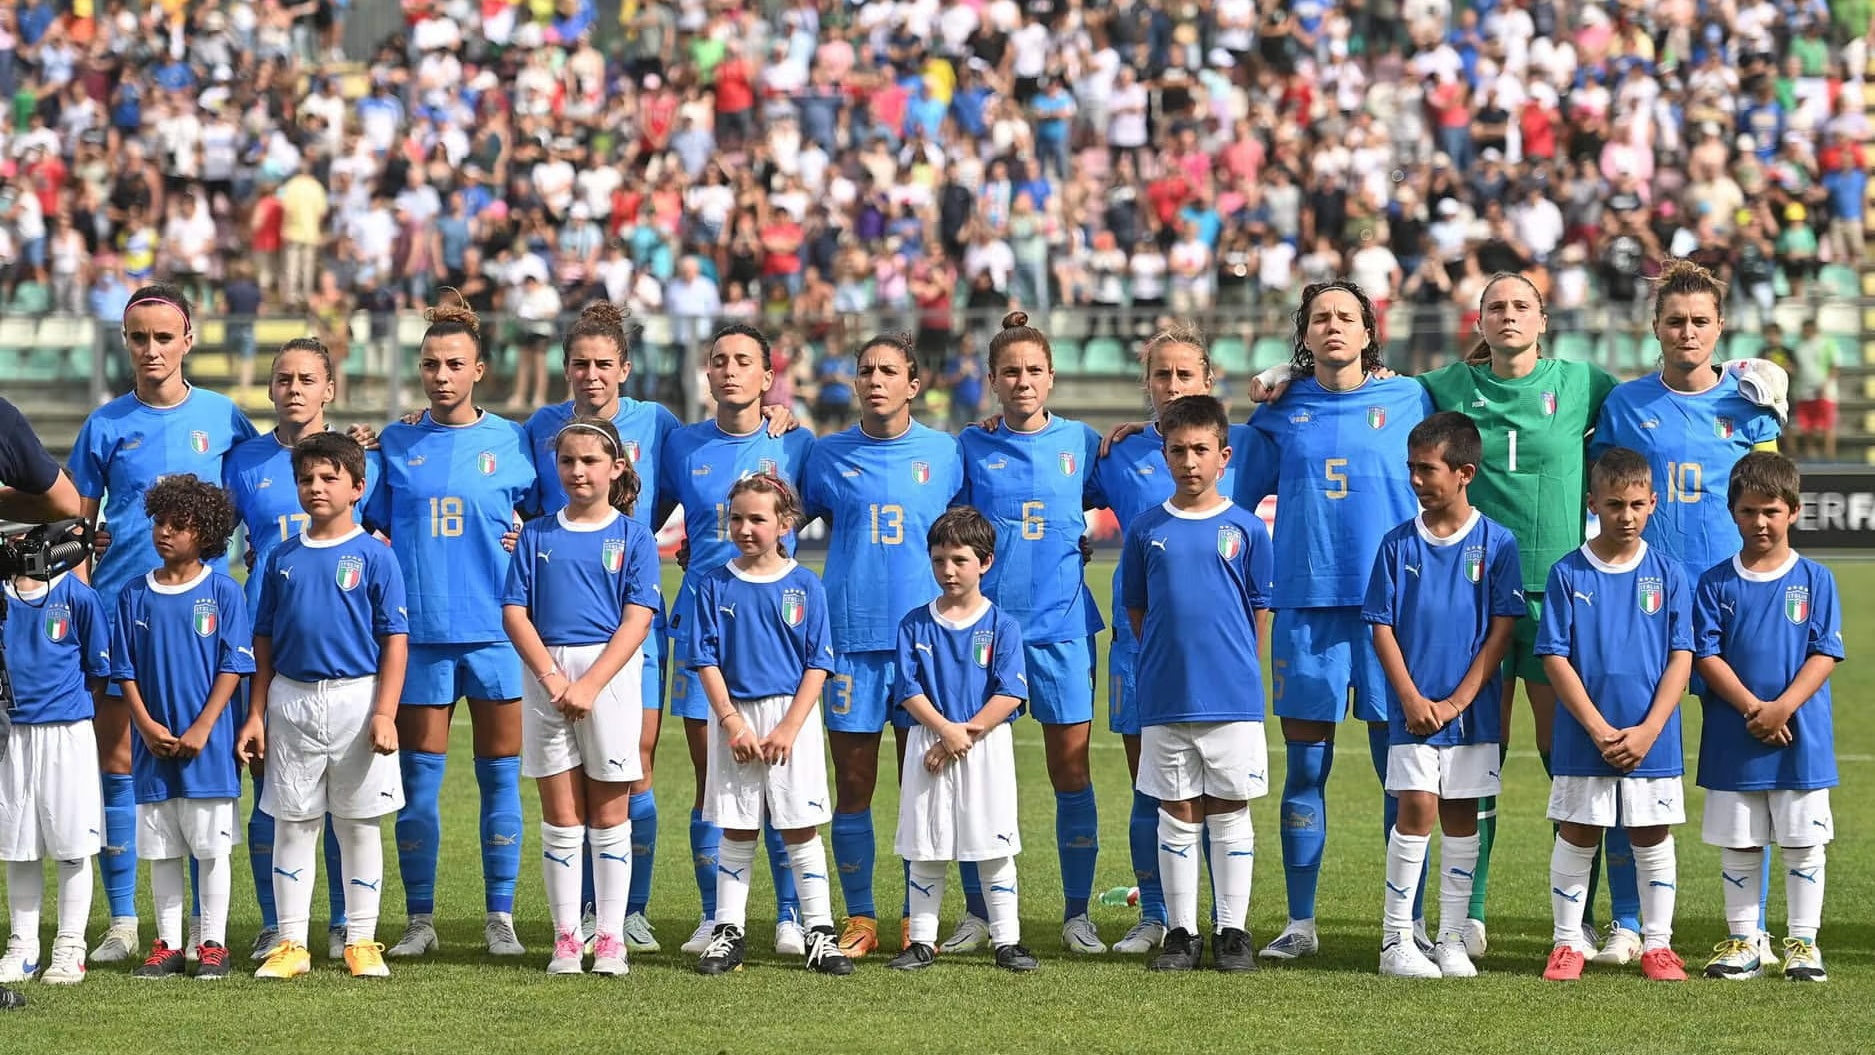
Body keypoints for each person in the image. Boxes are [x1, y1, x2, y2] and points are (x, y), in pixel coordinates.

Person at [518, 303, 788, 955]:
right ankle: (580, 915)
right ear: (565, 367)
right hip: (557, 627)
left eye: (602, 363)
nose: (590, 374)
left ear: (625, 369)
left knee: (633, 766)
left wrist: (780, 420)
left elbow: (676, 498)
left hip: (633, 624)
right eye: (579, 362)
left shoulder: (661, 426)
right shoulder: (536, 428)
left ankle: (630, 912)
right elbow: (523, 502)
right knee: (567, 776)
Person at [1231, 281, 1434, 962]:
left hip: (1389, 615)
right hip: (1305, 612)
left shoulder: (1409, 399)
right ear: (1304, 333)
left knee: (1398, 774)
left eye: (1346, 316)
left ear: (1368, 331)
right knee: (1304, 770)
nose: (1333, 326)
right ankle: (1299, 921)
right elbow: (1226, 493)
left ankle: (1403, 923)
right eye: (1320, 318)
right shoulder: (1280, 411)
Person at [1589, 259, 1782, 967]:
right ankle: (1627, 922)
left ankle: (1748, 925)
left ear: (1719, 327)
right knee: (1631, 765)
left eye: (1700, 320)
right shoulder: (1624, 405)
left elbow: (1773, 494)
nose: (1687, 331)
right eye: (1675, 320)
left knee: (1743, 767)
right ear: (1655, 328)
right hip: (1649, 606)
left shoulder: (1751, 402)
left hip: (1735, 604)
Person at [70, 284, 258, 964]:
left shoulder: (225, 417)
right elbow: (79, 521)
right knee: (120, 762)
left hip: (202, 622)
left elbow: (261, 483)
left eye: (162, 336)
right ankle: (124, 920)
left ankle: (219, 929)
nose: (150, 349)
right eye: (138, 337)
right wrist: (86, 590)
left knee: (205, 765)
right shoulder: (104, 424)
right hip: (124, 614)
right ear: (126, 342)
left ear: (188, 339)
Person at [366, 302, 535, 960]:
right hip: (421, 634)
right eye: (431, 363)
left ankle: (500, 915)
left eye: (454, 364)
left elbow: (545, 520)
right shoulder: (397, 441)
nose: (441, 375)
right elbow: (369, 518)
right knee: (419, 783)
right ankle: (419, 918)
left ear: (479, 371)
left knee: (500, 778)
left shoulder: (515, 442)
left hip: (496, 633)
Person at [797, 333, 963, 958]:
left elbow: (969, 538)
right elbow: (785, 523)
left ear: (913, 384)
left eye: (888, 371)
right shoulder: (825, 455)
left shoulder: (946, 453)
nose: (874, 380)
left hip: (925, 644)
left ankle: (916, 918)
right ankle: (860, 917)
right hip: (850, 641)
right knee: (856, 783)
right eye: (865, 370)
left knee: (922, 785)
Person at [1087, 330, 1253, 956]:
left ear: (1208, 379)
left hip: (1219, 654)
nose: (1174, 385)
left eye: (1186, 374)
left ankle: (1228, 923)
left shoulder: (1236, 446)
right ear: (1146, 384)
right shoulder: (1114, 453)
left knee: (1222, 795)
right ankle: (1158, 917)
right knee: (1154, 789)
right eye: (1162, 375)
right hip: (1142, 644)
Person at [949, 313, 1106, 955]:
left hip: (1064, 629)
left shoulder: (1087, 443)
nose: (1022, 380)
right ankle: (976, 913)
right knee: (976, 774)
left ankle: (1076, 915)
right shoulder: (971, 445)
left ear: (1052, 376)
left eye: (1033, 369)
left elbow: (1128, 484)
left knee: (1070, 774)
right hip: (987, 634)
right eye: (1009, 371)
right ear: (991, 380)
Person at [659, 324, 814, 957]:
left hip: (777, 638)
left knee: (778, 780)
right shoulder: (680, 445)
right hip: (704, 631)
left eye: (743, 361)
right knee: (712, 781)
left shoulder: (797, 443)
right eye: (718, 360)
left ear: (766, 375)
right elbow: (631, 514)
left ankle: (787, 915)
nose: (729, 371)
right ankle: (715, 916)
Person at [223, 337, 378, 962]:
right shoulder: (242, 462)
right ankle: (274, 923)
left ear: (329, 389)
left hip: (341, 652)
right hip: (269, 642)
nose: (294, 388)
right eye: (283, 377)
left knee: (346, 801)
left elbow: (382, 532)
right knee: (275, 793)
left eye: (307, 378)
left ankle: (347, 924)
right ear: (269, 388)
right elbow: (214, 543)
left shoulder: (362, 457)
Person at [240, 433, 407, 981]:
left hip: (357, 700)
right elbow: (262, 639)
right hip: (290, 699)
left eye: (329, 477)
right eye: (306, 478)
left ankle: (361, 939)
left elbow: (394, 640)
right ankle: (291, 943)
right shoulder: (279, 557)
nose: (316, 487)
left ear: (358, 487)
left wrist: (385, 711)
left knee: (359, 827)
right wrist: (257, 713)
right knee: (294, 825)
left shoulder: (376, 557)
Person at [1362, 412, 1522, 978]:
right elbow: (1380, 623)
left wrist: (1456, 702)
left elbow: (1503, 629)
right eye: (1411, 469)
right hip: (1414, 710)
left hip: (1469, 712)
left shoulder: (1497, 543)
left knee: (1460, 816)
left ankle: (1451, 938)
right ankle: (1395, 941)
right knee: (1416, 808)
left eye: (1427, 469)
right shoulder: (1396, 542)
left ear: (1464, 473)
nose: (1416, 480)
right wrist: (1409, 698)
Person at [500, 417, 660, 978]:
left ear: (616, 468)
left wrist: (591, 684)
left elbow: (638, 617)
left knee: (610, 812)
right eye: (567, 461)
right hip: (548, 674)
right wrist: (551, 678)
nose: (577, 471)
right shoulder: (538, 533)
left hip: (609, 677)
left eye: (589, 461)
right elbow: (514, 611)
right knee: (561, 815)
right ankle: (568, 939)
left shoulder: (633, 536)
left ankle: (610, 939)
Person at [1121, 394, 1274, 973]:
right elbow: (1138, 610)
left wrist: (1233, 664)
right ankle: (1180, 932)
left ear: (1223, 455)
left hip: (1232, 696)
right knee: (1177, 810)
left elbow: (1259, 608)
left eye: (1200, 450)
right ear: (1164, 455)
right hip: (1165, 694)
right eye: (1178, 450)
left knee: (1230, 808)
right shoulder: (1145, 528)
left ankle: (1232, 930)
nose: (1189, 461)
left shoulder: (1245, 529)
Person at [1535, 448, 1693, 982]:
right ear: (1592, 505)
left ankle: (1658, 945)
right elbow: (1555, 656)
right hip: (1586, 737)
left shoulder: (1670, 574)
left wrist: (1649, 729)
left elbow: (1681, 656)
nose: (1625, 515)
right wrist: (1598, 728)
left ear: (1653, 503)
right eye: (1613, 504)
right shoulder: (1567, 572)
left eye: (1635, 504)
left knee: (1651, 835)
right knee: (1577, 831)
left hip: (1654, 737)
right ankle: (1566, 944)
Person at [687, 474, 853, 976]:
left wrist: (789, 728)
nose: (744, 528)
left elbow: (817, 664)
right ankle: (727, 930)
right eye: (736, 518)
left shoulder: (805, 584)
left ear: (785, 524)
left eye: (757, 519)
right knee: (737, 829)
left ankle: (819, 931)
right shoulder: (714, 582)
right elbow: (705, 658)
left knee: (800, 827)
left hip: (790, 718)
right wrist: (732, 722)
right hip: (736, 718)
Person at [1692, 452, 1841, 983]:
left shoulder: (1816, 578)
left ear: (1794, 512)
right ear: (1733, 512)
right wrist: (1755, 709)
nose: (1760, 522)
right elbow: (1705, 655)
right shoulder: (1713, 583)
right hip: (1736, 734)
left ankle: (1804, 942)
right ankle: (1744, 940)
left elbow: (1824, 652)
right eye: (1749, 511)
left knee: (1804, 840)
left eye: (1771, 511)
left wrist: (1782, 707)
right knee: (1740, 840)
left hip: (1800, 737)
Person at [109, 476, 252, 981]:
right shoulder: (132, 594)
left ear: (207, 533)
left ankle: (212, 943)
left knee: (211, 848)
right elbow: (123, 670)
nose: (164, 533)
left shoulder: (223, 591)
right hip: (153, 747)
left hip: (206, 748)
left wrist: (204, 727)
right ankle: (167, 944)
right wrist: (145, 726)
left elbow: (232, 667)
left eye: (179, 525)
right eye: (159, 523)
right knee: (162, 848)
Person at [886, 508, 1038, 974]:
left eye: (959, 559)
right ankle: (923, 942)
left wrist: (959, 734)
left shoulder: (1003, 625)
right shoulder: (915, 623)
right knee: (925, 845)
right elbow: (907, 689)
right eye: (938, 560)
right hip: (928, 743)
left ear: (985, 562)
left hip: (984, 746)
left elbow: (1010, 693)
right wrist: (944, 732)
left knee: (993, 845)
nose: (947, 571)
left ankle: (1006, 940)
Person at [0, 396, 83, 1011]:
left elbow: (63, 504)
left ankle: (60, 943)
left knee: (48, 831)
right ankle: (24, 941)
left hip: (47, 715)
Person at [0, 562, 112, 987]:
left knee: (70, 844)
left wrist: (69, 713)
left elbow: (98, 670)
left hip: (67, 732)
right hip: (12, 731)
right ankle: (23, 947)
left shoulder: (77, 595)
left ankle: (69, 947)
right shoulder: (2, 592)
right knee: (17, 843)